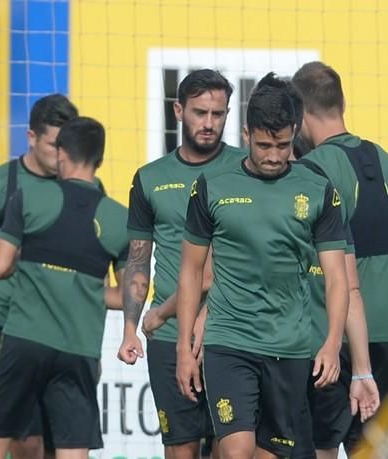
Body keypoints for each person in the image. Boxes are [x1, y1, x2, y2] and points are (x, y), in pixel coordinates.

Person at [175, 73, 349, 459]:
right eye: (264, 145)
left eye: (283, 146)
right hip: (229, 340)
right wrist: (184, 349)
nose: (273, 156)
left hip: (289, 347)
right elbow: (190, 272)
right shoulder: (212, 185)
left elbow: (337, 277)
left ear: (295, 133)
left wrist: (333, 343)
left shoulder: (317, 189)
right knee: (236, 450)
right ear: (246, 133)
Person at [291, 61, 388, 457]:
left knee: (323, 444)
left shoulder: (312, 170)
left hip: (334, 328)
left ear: (299, 115)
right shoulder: (379, 157)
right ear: (342, 102)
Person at [0, 116, 128, 459]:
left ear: (61, 154)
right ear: (100, 159)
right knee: (72, 449)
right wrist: (79, 287)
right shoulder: (119, 219)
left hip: (24, 339)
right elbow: (126, 296)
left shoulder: (28, 196)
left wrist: (37, 272)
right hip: (79, 348)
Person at [117, 68, 244, 459]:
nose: (209, 123)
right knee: (180, 449)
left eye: (218, 114)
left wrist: (159, 313)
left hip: (233, 333)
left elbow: (231, 260)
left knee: (234, 447)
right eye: (199, 113)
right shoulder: (151, 178)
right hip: (171, 338)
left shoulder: (245, 170)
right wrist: (129, 328)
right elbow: (139, 259)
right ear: (178, 110)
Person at [0, 93, 79, 459]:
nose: (61, 155)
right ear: (32, 137)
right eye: (55, 145)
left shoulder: (81, 185)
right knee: (25, 439)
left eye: (67, 146)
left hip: (65, 332)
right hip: (4, 327)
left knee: (61, 439)